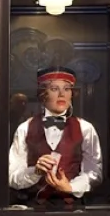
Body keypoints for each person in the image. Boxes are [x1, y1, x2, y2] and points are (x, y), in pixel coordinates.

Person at [8, 66, 103, 205]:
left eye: (66, 88)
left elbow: (94, 172)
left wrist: (70, 187)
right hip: (32, 208)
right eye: (54, 89)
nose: (61, 94)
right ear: (42, 94)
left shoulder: (85, 128)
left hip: (72, 209)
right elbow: (12, 177)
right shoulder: (25, 128)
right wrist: (35, 172)